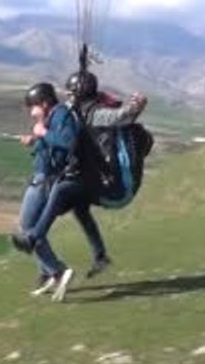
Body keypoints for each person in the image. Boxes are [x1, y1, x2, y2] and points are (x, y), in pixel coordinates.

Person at [13, 71, 148, 300]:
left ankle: (37, 242)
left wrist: (136, 107)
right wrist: (38, 138)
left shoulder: (92, 114)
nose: (68, 97)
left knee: (64, 190)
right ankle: (96, 256)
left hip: (105, 181)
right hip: (93, 176)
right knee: (79, 207)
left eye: (71, 93)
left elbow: (119, 118)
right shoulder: (72, 112)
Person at [15, 81, 80, 296]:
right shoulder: (52, 117)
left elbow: (69, 141)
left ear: (44, 103)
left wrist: (42, 132)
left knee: (27, 229)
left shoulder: (62, 115)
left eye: (33, 107)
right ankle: (52, 272)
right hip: (43, 178)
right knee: (32, 230)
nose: (31, 112)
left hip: (46, 181)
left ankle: (59, 271)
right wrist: (34, 141)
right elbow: (51, 147)